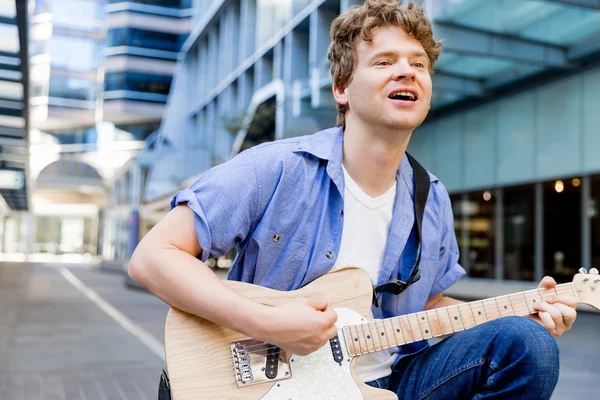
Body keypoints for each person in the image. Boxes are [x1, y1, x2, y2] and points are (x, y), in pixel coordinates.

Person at [129, 0, 577, 398]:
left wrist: (516, 312)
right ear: (342, 88)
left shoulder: (431, 197)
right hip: (277, 387)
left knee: (527, 343)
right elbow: (152, 257)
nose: (407, 71)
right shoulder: (277, 167)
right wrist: (262, 323)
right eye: (384, 62)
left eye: (418, 64)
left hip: (390, 384)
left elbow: (426, 305)